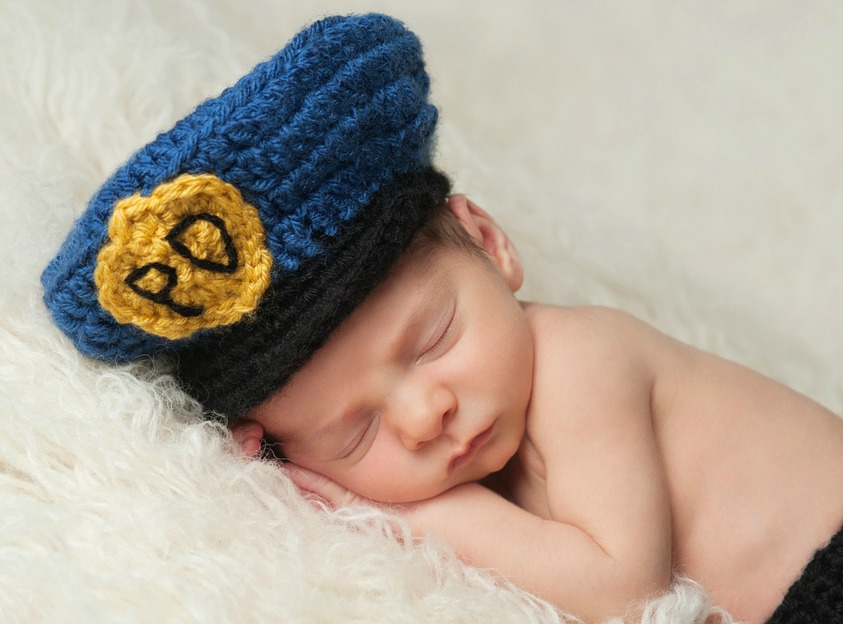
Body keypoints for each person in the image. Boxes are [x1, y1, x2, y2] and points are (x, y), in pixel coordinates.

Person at [40, 13, 843, 624]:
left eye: (433, 340)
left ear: (491, 245)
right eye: (355, 434)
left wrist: (400, 507)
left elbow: (625, 589)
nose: (426, 414)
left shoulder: (577, 356)